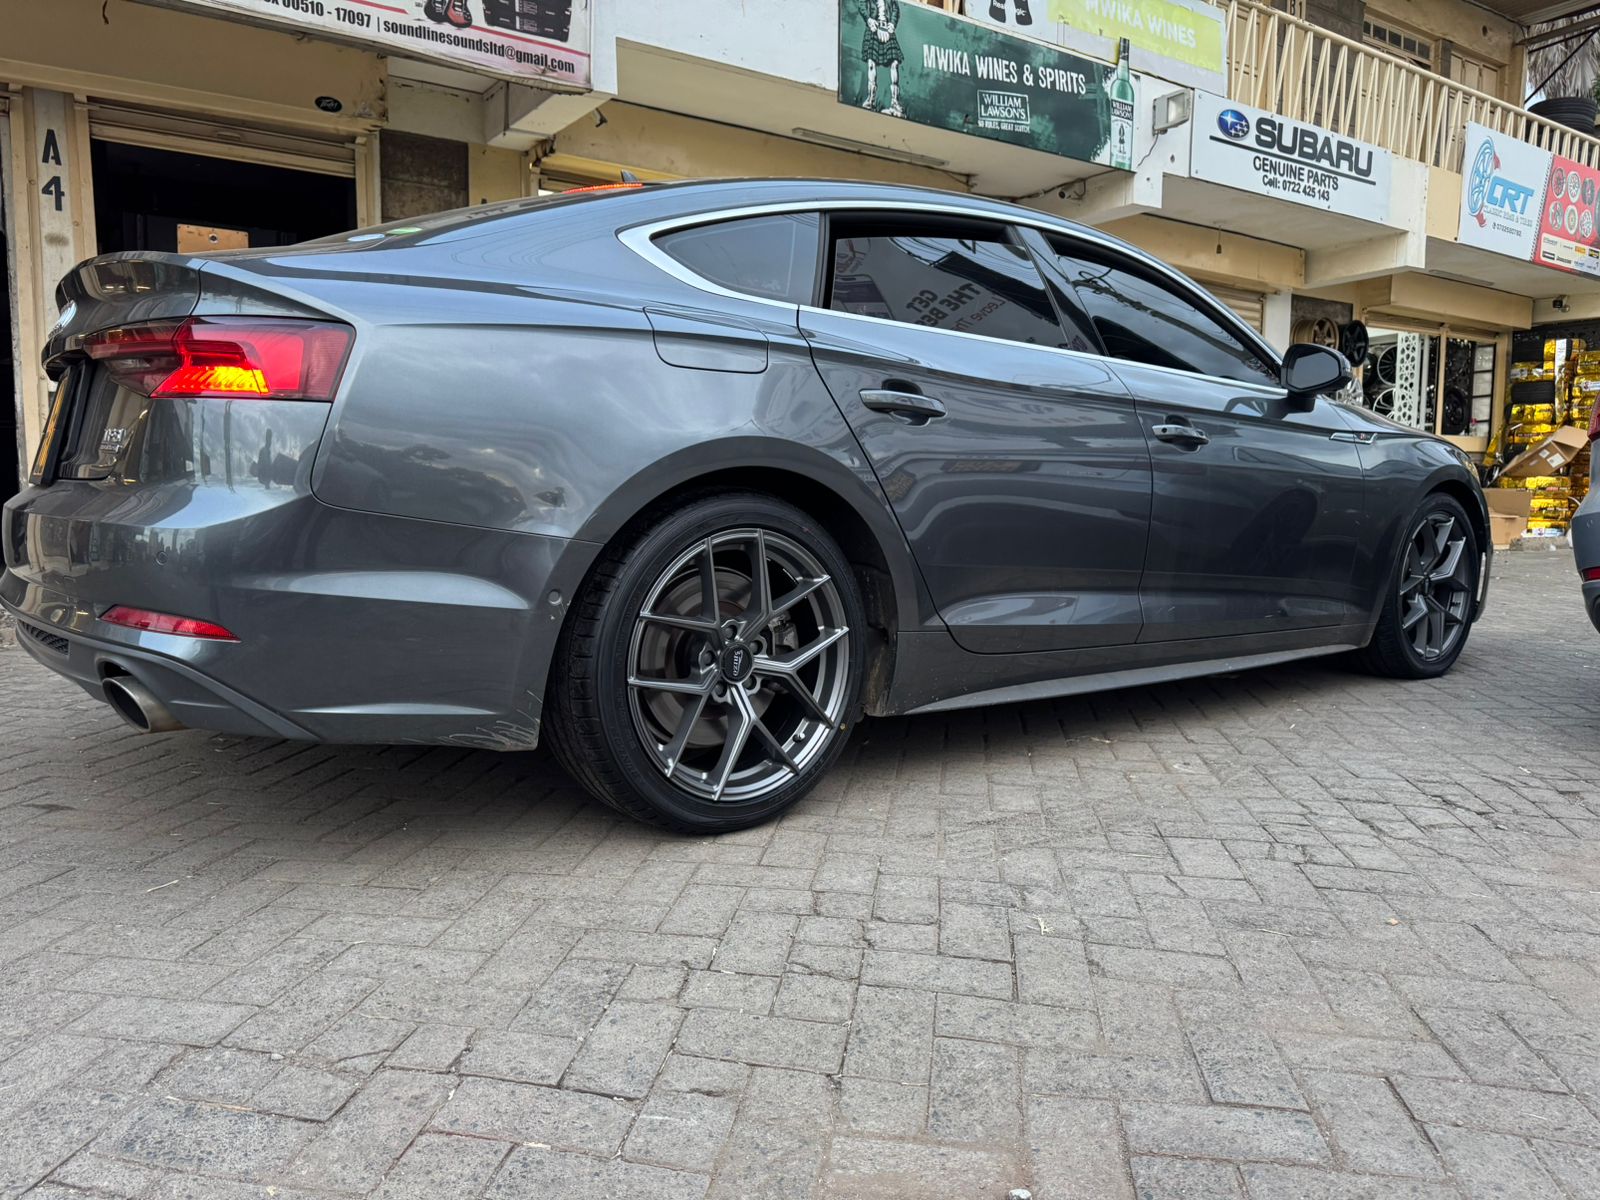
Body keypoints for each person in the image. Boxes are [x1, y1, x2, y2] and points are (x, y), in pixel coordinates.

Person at [860, 0, 905, 118]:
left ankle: (895, 101)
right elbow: (862, 5)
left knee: (895, 63)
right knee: (871, 63)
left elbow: (895, 9)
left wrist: (892, 24)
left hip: (887, 29)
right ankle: (871, 99)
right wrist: (869, 20)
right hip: (873, 28)